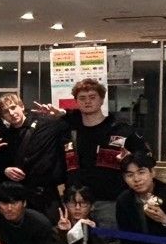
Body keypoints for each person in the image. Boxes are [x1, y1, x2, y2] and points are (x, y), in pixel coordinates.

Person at [41, 79, 148, 228]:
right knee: (75, 242)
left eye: (92, 97)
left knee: (109, 242)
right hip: (76, 202)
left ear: (102, 99)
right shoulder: (68, 131)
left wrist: (130, 159)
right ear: (76, 102)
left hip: (110, 202)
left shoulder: (121, 130)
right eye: (82, 98)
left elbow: (147, 159)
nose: (87, 101)